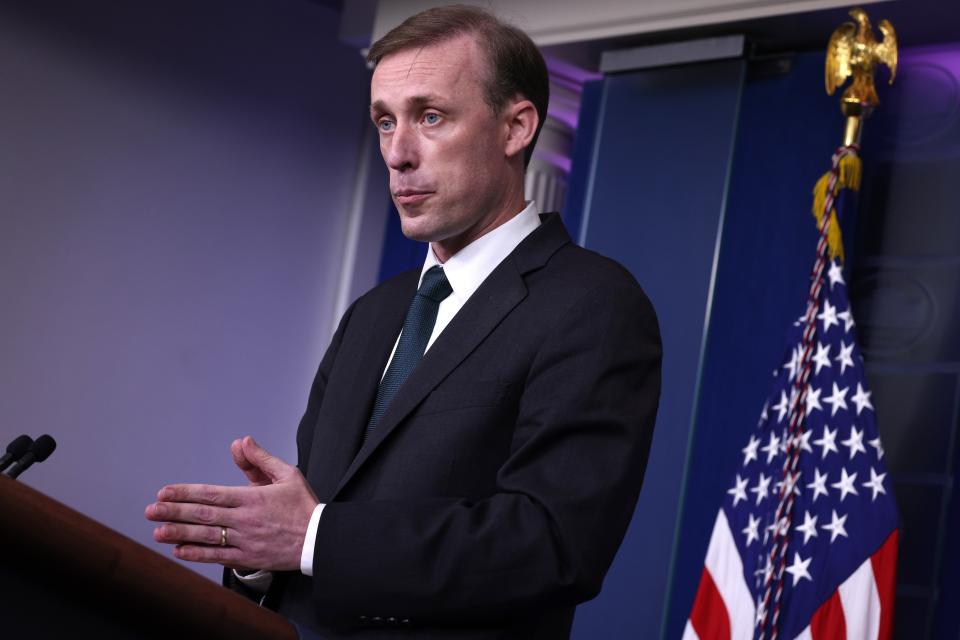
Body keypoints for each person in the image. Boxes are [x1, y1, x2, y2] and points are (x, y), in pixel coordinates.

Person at [145, 5, 661, 638]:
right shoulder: (373, 313)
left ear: (516, 127)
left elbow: (553, 546)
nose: (397, 153)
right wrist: (262, 552)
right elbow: (315, 525)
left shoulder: (593, 303)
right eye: (385, 122)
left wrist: (311, 537)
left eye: (430, 116)